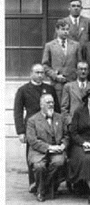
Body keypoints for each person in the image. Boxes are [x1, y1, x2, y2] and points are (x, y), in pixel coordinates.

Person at [14, 63, 60, 192]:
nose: (40, 75)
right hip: (32, 127)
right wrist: (20, 131)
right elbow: (18, 111)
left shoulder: (49, 89)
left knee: (52, 156)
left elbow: (57, 109)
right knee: (33, 155)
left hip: (49, 125)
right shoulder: (23, 90)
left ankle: (50, 184)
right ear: (31, 74)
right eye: (37, 72)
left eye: (42, 73)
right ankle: (33, 183)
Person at [26, 93, 68, 202]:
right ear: (41, 105)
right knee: (39, 166)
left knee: (59, 163)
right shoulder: (32, 120)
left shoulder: (60, 117)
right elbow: (32, 141)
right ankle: (44, 190)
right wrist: (49, 147)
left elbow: (67, 135)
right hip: (38, 151)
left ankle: (41, 188)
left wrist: (63, 145)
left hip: (57, 151)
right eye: (48, 102)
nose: (51, 105)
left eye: (52, 102)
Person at [42, 18, 81, 102]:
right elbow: (45, 65)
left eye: (67, 29)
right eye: (63, 29)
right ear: (57, 30)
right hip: (57, 84)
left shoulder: (76, 45)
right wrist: (55, 76)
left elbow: (79, 64)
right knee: (58, 107)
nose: (65, 32)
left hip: (72, 83)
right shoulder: (50, 45)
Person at [61, 61, 90, 125]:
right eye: (81, 69)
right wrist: (69, 121)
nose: (83, 71)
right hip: (73, 122)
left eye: (85, 69)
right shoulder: (68, 86)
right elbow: (64, 108)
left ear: (88, 71)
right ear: (76, 71)